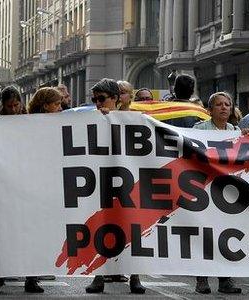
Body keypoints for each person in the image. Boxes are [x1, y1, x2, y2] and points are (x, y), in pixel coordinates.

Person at [84, 78, 146, 295]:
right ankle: (98, 276)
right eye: (95, 100)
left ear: (115, 99)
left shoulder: (134, 119)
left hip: (128, 184)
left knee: (132, 229)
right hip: (101, 183)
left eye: (102, 99)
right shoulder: (89, 120)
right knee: (101, 226)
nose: (98, 104)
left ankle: (135, 277)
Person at [0, 86, 45, 294]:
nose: (12, 109)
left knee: (30, 233)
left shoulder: (30, 122)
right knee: (5, 234)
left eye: (15, 105)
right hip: (6, 185)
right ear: (3, 106)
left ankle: (32, 278)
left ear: (21, 103)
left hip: (27, 184)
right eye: (9, 106)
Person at [191, 92, 243, 295]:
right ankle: (201, 279)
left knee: (225, 234)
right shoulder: (199, 129)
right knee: (205, 234)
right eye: (219, 105)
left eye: (227, 104)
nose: (223, 108)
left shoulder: (236, 131)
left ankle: (225, 279)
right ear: (210, 110)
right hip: (204, 188)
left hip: (226, 191)